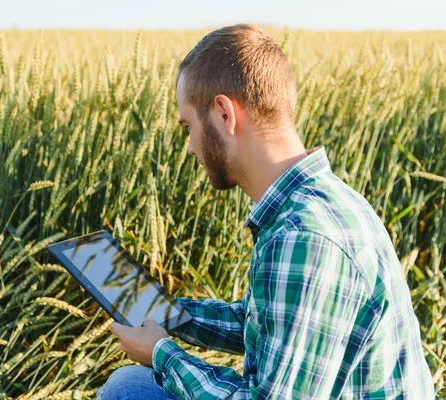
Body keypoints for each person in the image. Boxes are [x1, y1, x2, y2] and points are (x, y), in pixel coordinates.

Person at [97, 24, 435, 399]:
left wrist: (163, 354)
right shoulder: (322, 201)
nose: (190, 147)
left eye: (187, 126)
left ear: (225, 114)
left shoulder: (303, 236)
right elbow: (261, 324)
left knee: (126, 391)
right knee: (130, 385)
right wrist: (162, 310)